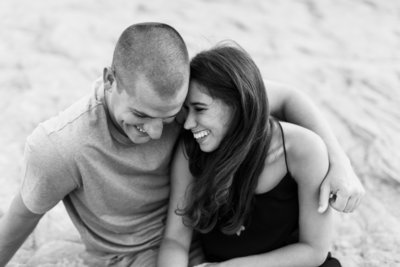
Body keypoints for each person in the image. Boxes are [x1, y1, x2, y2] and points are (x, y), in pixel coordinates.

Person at [0, 22, 362, 267]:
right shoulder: (60, 147)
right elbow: (21, 216)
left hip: (210, 247)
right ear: (110, 80)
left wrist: (339, 160)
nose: (158, 132)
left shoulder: (191, 99)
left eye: (170, 115)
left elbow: (285, 97)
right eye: (141, 115)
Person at [158, 43, 343, 267]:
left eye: (200, 109)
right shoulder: (191, 150)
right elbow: (175, 240)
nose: (188, 123)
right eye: (187, 110)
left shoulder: (304, 150)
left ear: (238, 104)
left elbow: (314, 251)